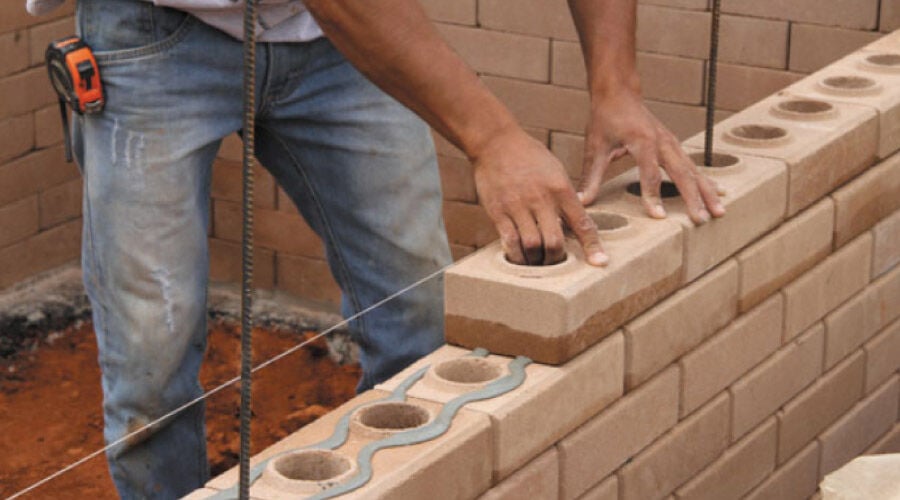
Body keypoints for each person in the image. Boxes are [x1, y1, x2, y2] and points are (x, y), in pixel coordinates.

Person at [25, 0, 724, 497]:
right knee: (151, 356)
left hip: (338, 46)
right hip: (153, 30)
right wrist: (494, 138)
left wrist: (617, 87)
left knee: (419, 312)